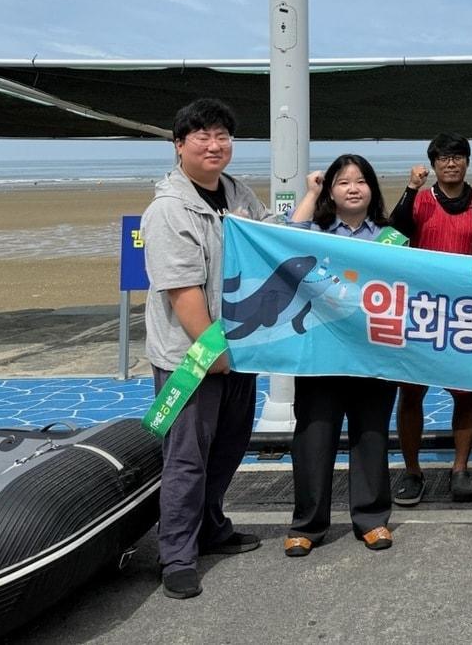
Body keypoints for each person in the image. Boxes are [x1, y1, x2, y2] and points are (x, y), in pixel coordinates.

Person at [140, 98, 276, 600]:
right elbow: (182, 292)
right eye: (202, 137)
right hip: (192, 355)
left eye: (222, 136)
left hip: (239, 348)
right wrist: (212, 352)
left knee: (230, 445)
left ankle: (212, 527)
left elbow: (269, 242)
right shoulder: (168, 210)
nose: (215, 145)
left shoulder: (237, 192)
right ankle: (175, 553)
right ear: (179, 146)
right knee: (187, 458)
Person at [282, 155, 398, 557]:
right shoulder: (315, 233)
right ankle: (307, 525)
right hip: (319, 356)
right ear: (331, 190)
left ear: (372, 189)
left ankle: (371, 519)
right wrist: (311, 191)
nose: (353, 188)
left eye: (361, 180)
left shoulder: (390, 237)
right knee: (313, 439)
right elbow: (289, 235)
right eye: (343, 182)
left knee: (371, 437)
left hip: (373, 357)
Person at [388, 133, 472, 505]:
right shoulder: (420, 200)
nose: (451, 163)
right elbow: (392, 234)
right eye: (443, 157)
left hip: (465, 313)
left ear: (466, 162)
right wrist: (411, 189)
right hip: (421, 312)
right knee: (410, 393)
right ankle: (412, 471)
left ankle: (460, 469)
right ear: (433, 163)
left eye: (458, 156)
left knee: (465, 393)